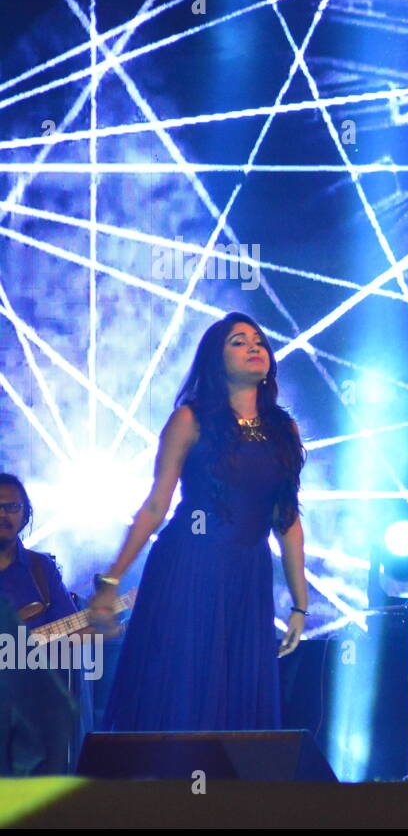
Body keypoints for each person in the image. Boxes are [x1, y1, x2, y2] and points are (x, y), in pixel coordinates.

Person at [91, 312, 309, 731]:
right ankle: (168, 788)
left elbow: (288, 519)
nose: (253, 347)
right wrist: (112, 579)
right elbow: (156, 505)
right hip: (190, 564)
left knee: (235, 694)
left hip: (249, 573)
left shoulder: (285, 430)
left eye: (259, 341)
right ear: (215, 359)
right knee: (184, 686)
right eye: (238, 341)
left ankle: (222, 793)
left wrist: (300, 604)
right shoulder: (190, 420)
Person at [0, 473, 82, 771]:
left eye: (11, 507)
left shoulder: (40, 568)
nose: (3, 515)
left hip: (29, 707)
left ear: (25, 514)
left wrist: (103, 624)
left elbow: (71, 627)